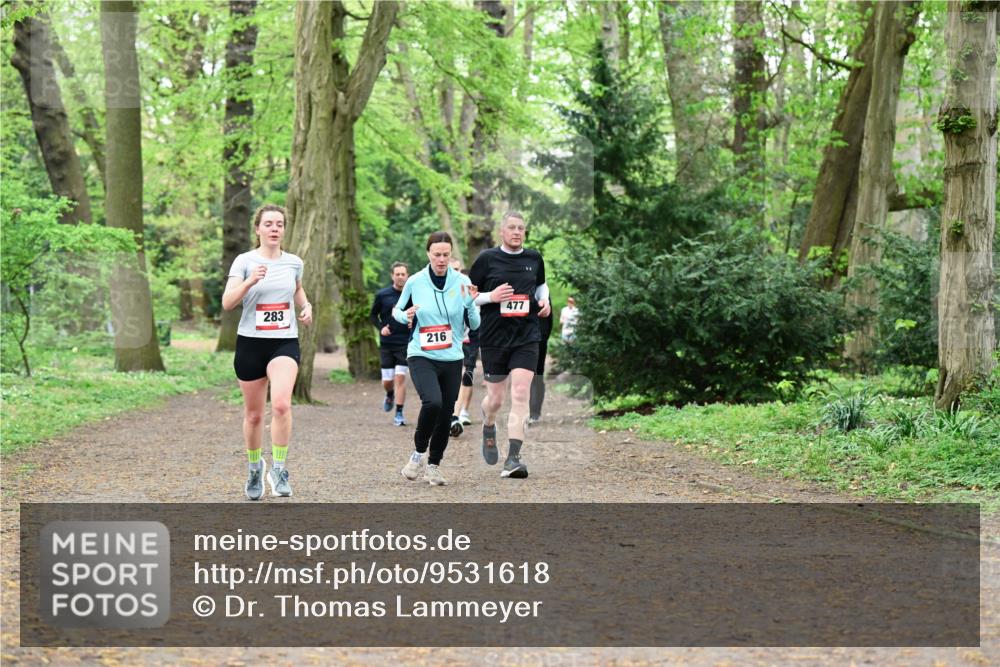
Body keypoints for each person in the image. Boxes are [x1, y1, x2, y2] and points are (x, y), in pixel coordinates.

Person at [222, 204, 312, 500]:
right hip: (250, 343)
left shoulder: (294, 262)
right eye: (269, 224)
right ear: (258, 229)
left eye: (279, 224)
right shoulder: (244, 261)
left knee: (282, 405)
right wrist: (250, 281)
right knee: (254, 415)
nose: (275, 229)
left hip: (283, 341)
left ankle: (279, 468)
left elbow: (297, 289)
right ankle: (254, 468)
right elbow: (227, 303)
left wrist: (306, 306)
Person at [393, 232, 480, 486]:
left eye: (446, 255)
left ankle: (433, 466)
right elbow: (397, 310)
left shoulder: (462, 281)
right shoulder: (415, 281)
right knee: (432, 402)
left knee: (445, 414)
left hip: (452, 357)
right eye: (437, 255)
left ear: (451, 255)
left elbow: (475, 324)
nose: (441, 260)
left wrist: (470, 304)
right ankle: (417, 454)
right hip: (421, 353)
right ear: (428, 254)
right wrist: (405, 316)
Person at [469, 211, 550, 479]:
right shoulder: (487, 259)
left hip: (527, 336)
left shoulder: (534, 258)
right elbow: (468, 296)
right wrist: (491, 297)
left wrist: (545, 302)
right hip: (494, 338)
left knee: (520, 393)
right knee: (496, 399)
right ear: (501, 231)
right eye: (512, 228)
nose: (517, 232)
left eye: (521, 228)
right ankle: (488, 425)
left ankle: (513, 458)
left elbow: (541, 286)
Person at [370, 262, 411, 426]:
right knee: (387, 381)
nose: (400, 277)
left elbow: (419, 313)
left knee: (400, 377)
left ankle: (399, 413)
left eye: (403, 274)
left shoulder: (412, 295)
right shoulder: (382, 295)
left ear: (407, 276)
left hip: (405, 343)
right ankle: (389, 394)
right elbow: (373, 315)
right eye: (397, 274)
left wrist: (413, 323)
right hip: (387, 343)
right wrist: (381, 328)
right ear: (392, 276)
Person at [449, 257, 479, 437]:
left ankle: (458, 414)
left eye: (457, 269)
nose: (455, 273)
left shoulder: (469, 288)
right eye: (452, 269)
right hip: (447, 342)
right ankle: (449, 413)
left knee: (465, 376)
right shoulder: (437, 291)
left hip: (469, 340)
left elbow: (482, 302)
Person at [528, 308, 553, 425]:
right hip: (521, 339)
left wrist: (543, 337)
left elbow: (549, 319)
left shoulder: (543, 296)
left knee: (537, 375)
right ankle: (528, 411)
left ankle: (535, 411)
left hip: (539, 338)